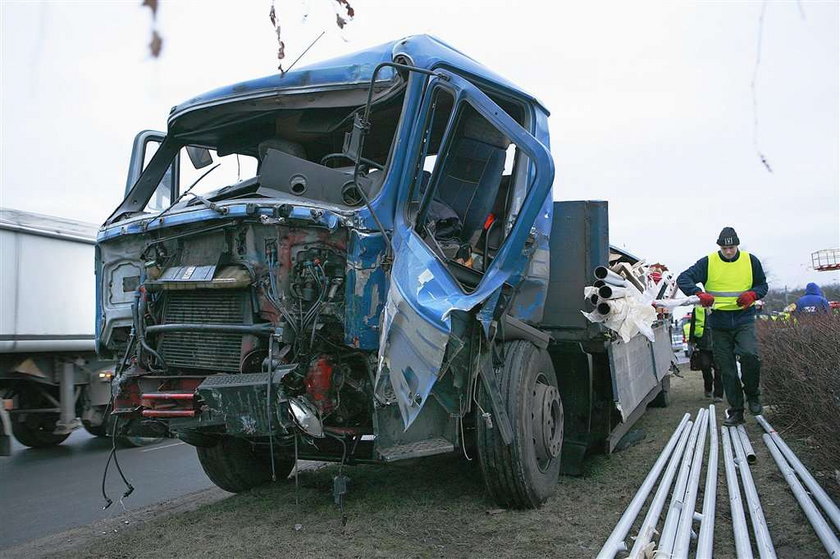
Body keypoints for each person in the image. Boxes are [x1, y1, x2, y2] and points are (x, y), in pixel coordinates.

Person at [677, 227, 768, 426]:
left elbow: (763, 285)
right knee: (727, 369)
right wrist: (699, 293)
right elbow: (683, 278)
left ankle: (752, 394)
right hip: (719, 322)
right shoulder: (708, 262)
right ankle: (736, 411)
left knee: (749, 355)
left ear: (737, 245)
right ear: (719, 247)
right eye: (725, 248)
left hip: (744, 318)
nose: (728, 251)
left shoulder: (750, 261)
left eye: (732, 247)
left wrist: (753, 294)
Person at [686, 306, 723, 402]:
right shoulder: (698, 309)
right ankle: (708, 388)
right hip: (703, 344)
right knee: (705, 367)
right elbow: (693, 324)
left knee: (719, 370)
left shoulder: (721, 306)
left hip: (719, 344)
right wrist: (692, 341)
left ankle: (718, 395)